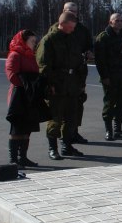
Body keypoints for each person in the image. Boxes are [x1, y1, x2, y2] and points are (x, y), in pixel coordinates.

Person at [37, 12, 87, 160]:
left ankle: (67, 146)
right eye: (71, 26)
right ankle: (53, 148)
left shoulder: (73, 40)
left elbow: (79, 62)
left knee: (72, 119)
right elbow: (43, 65)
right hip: (57, 85)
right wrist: (50, 84)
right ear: (63, 24)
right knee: (55, 118)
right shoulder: (49, 40)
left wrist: (81, 83)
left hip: (72, 85)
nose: (73, 29)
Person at [49, 1, 93, 144]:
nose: (73, 13)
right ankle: (58, 141)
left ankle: (73, 133)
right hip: (60, 77)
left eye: (75, 11)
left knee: (76, 106)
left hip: (77, 74)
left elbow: (89, 46)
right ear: (63, 11)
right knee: (58, 110)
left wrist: (88, 53)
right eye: (70, 11)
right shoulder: (54, 31)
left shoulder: (82, 30)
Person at [5, 29, 45, 167]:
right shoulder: (15, 55)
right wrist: (28, 85)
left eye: (35, 41)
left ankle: (23, 157)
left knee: (27, 128)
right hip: (18, 96)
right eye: (32, 41)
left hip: (29, 96)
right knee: (17, 129)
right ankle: (13, 159)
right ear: (24, 41)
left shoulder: (31, 56)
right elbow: (12, 76)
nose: (35, 44)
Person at [93, 13, 122, 141]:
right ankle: (109, 130)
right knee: (109, 103)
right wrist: (104, 76)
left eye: (121, 21)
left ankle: (118, 128)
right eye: (117, 20)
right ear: (110, 22)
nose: (119, 23)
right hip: (110, 76)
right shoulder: (103, 37)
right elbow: (100, 60)